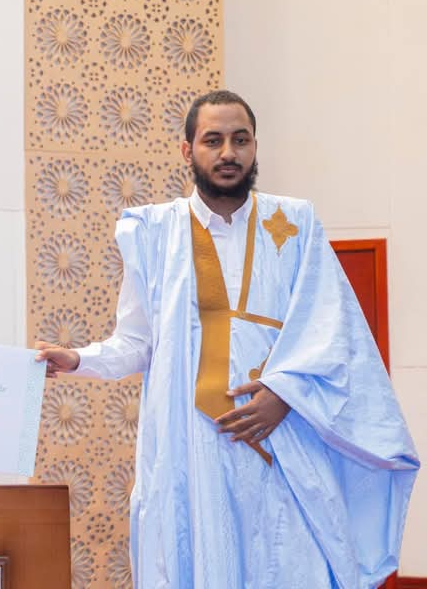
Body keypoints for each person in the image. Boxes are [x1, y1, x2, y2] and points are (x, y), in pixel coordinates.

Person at [36, 90, 419, 588]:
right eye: (213, 140)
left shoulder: (295, 223)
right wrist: (78, 359)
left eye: (241, 140)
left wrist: (284, 395)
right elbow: (138, 342)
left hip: (282, 442)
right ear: (187, 150)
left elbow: (332, 328)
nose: (228, 153)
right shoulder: (154, 232)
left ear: (255, 146)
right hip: (190, 451)